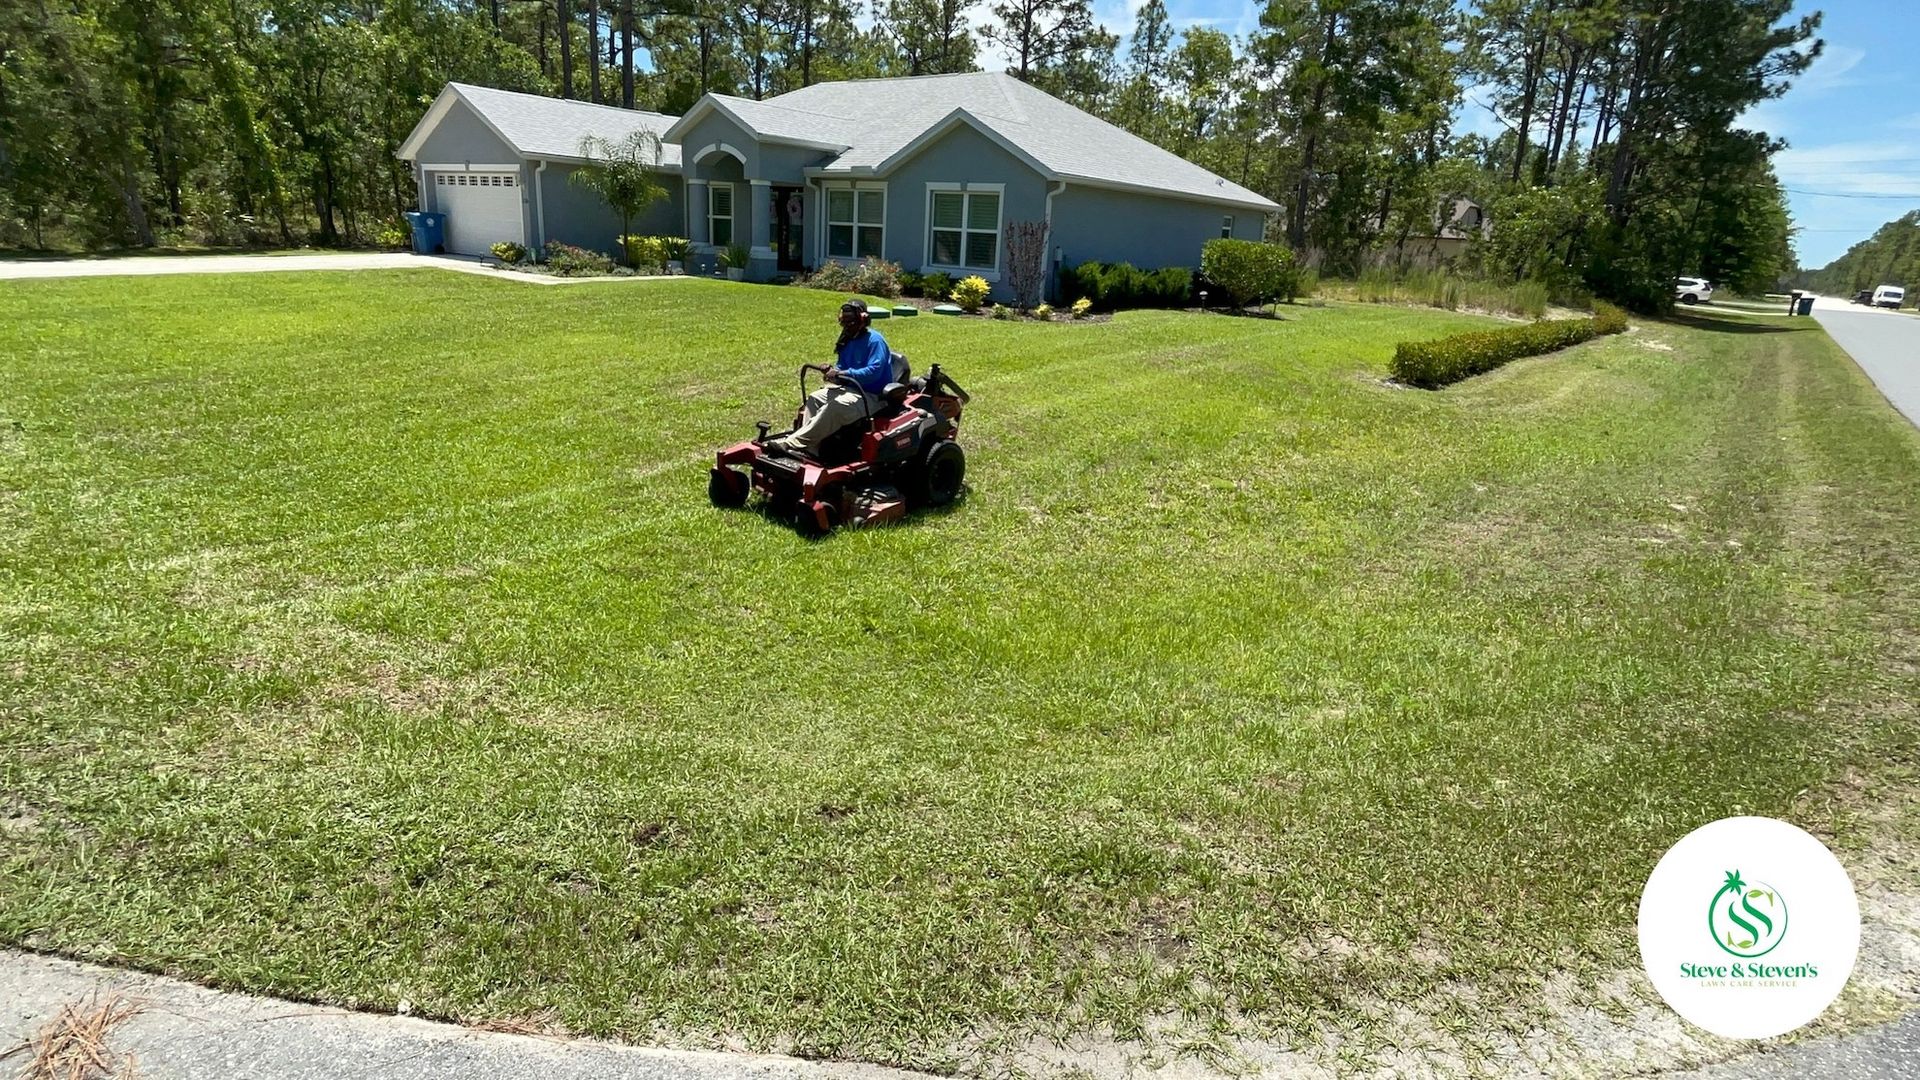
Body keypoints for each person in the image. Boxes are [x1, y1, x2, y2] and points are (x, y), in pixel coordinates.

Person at [767, 298, 897, 455]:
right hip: (850, 389)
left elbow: (874, 372)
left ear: (863, 320)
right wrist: (831, 372)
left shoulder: (875, 340)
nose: (847, 326)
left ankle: (793, 443)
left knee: (835, 407)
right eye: (845, 322)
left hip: (872, 396)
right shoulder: (848, 339)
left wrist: (844, 374)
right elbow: (842, 366)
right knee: (814, 398)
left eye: (851, 322)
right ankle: (811, 448)